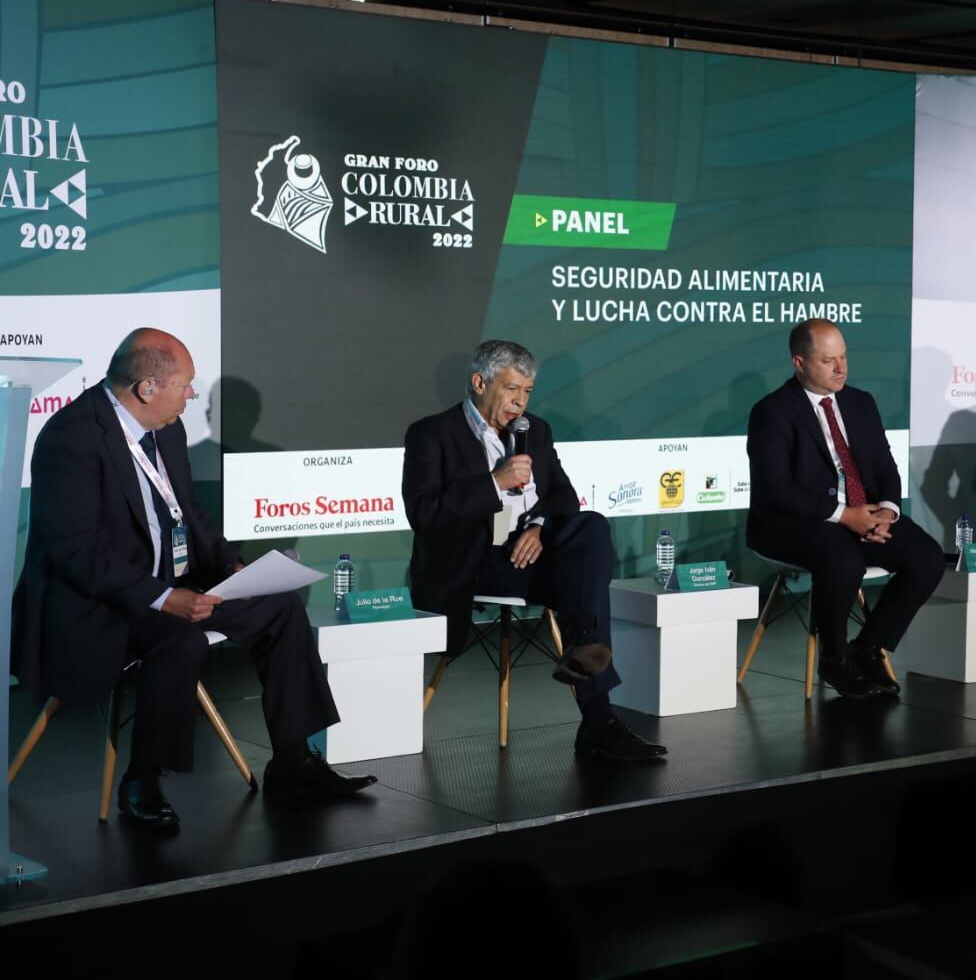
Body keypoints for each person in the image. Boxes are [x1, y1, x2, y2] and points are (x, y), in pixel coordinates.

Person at [10, 328, 375, 831]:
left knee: (280, 604)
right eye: (185, 384)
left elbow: (189, 513)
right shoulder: (70, 437)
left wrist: (231, 567)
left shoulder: (167, 428)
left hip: (169, 584)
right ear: (146, 389)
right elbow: (76, 552)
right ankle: (142, 779)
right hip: (98, 602)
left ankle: (294, 762)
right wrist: (163, 598)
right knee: (178, 640)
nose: (193, 395)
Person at [402, 340, 665, 761]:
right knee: (585, 588)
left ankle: (581, 649)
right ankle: (598, 720)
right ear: (479, 382)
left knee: (592, 525)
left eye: (527, 392)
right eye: (511, 390)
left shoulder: (535, 430)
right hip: (474, 562)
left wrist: (540, 527)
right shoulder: (430, 434)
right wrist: (494, 483)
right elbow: (424, 514)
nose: (519, 403)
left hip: (532, 552)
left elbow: (563, 497)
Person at [745, 319, 943, 699]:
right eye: (829, 361)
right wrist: (845, 516)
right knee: (842, 559)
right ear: (799, 363)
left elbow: (885, 466)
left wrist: (886, 511)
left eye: (844, 358)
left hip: (860, 514)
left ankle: (868, 647)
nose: (842, 369)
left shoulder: (860, 402)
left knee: (927, 557)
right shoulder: (772, 411)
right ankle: (834, 658)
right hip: (793, 522)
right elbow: (776, 490)